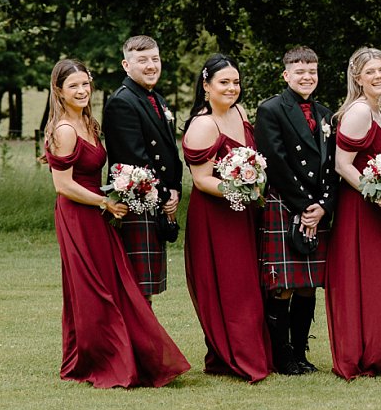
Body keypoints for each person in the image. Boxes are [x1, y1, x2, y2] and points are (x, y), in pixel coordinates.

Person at [42, 57, 190, 389]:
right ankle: (102, 358)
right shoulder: (65, 130)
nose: (82, 91)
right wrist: (105, 201)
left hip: (99, 212)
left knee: (114, 283)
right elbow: (62, 185)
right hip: (78, 215)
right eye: (73, 86)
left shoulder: (89, 124)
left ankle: (128, 352)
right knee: (95, 287)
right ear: (59, 91)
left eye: (85, 83)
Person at [182, 53, 272, 382]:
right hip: (215, 217)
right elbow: (202, 179)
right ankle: (236, 357)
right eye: (224, 82)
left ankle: (237, 353)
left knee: (248, 283)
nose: (232, 88)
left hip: (243, 214)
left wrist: (252, 188)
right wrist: (241, 191)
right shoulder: (203, 125)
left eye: (236, 82)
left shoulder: (239, 111)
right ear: (206, 86)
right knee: (229, 285)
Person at [325, 47, 381, 379]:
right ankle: (365, 353)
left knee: (380, 280)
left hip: (377, 207)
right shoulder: (360, 111)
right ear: (357, 78)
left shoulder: (378, 109)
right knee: (365, 278)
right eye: (371, 72)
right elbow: (341, 164)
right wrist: (374, 194)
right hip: (359, 209)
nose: (379, 76)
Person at [254, 45, 336, 376]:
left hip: (316, 206)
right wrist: (305, 206)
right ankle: (282, 355)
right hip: (286, 202)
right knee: (283, 284)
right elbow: (275, 162)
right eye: (299, 71)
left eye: (312, 72)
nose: (306, 77)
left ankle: (301, 352)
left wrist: (325, 206)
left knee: (308, 283)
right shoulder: (271, 109)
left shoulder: (326, 112)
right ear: (286, 75)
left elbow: (330, 164)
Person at [101, 33, 183, 304]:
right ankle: (136, 347)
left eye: (155, 59)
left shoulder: (156, 99)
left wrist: (175, 189)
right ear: (126, 65)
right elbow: (134, 158)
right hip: (136, 203)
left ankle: (143, 346)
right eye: (142, 60)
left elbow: (171, 151)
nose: (151, 65)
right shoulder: (122, 102)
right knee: (137, 288)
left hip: (156, 199)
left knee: (147, 288)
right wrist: (163, 196)